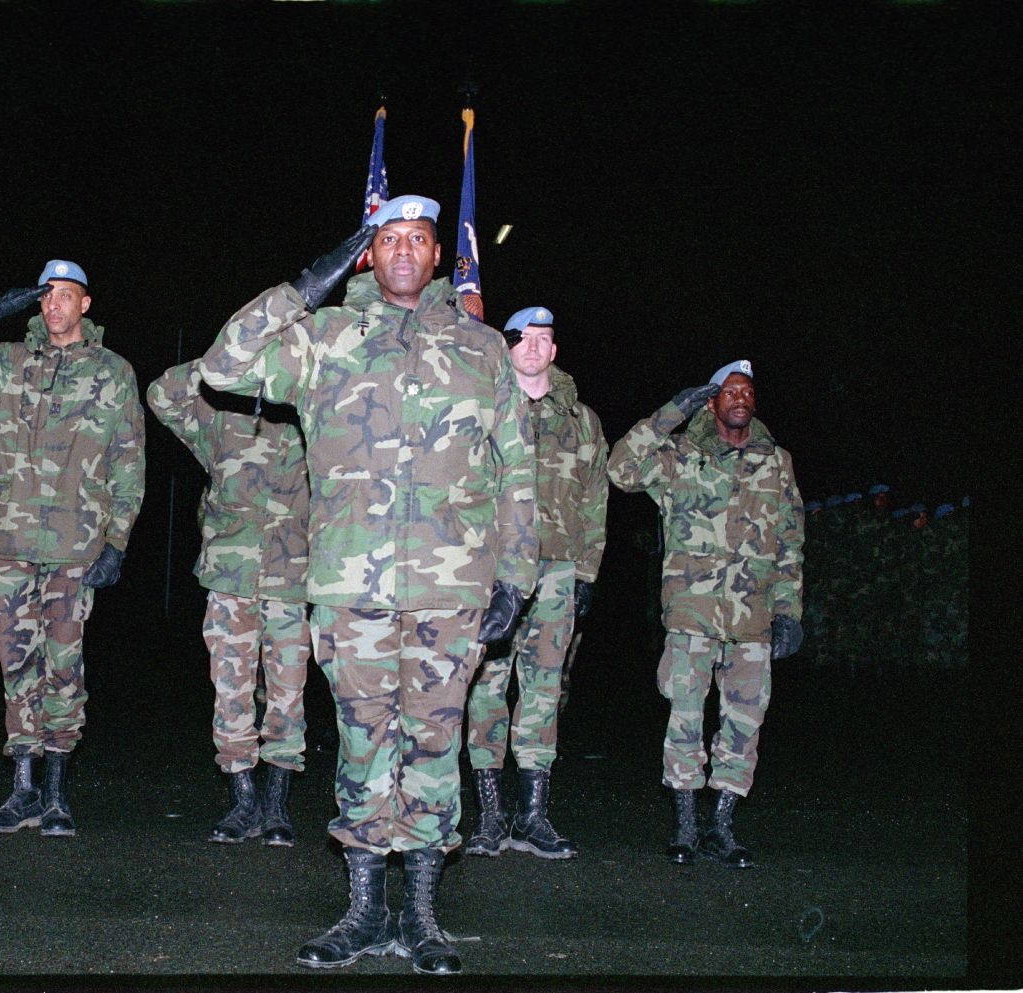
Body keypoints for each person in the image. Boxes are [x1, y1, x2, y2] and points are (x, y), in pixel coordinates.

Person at [196, 195, 538, 975]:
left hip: (452, 593)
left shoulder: (484, 349)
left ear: (438, 253)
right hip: (351, 589)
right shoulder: (322, 338)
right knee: (360, 746)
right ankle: (359, 912)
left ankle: (419, 918)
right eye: (389, 239)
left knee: (431, 747)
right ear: (368, 254)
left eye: (420, 238)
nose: (406, 250)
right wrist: (307, 283)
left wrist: (515, 574)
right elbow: (223, 364)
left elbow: (518, 472)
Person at [0, 259, 145, 839]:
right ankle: (21, 791)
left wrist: (116, 540)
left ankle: (57, 796)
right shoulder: (4, 366)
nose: (54, 306)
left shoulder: (113, 373)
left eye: (66, 295)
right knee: (17, 666)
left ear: (86, 304)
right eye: (45, 297)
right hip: (14, 546)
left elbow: (128, 461)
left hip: (75, 548)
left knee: (64, 668)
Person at [607, 359, 804, 868]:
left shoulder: (776, 461)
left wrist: (788, 610)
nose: (740, 398)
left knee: (744, 723)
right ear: (712, 402)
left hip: (753, 618)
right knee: (685, 720)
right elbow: (620, 469)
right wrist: (672, 412)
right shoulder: (680, 456)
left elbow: (789, 541)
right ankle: (686, 825)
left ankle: (722, 825)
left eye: (747, 392)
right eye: (729, 391)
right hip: (692, 615)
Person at [147, 360, 312, 847]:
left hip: (294, 577)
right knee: (231, 689)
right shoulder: (219, 418)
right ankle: (243, 801)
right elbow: (161, 394)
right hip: (229, 577)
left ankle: (277, 804)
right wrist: (220, 363)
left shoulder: (313, 417)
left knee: (287, 693)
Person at [463, 306, 607, 860]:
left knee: (544, 690)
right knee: (486, 690)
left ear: (554, 351)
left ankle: (533, 816)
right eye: (521, 338)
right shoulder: (483, 409)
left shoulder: (582, 421)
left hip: (556, 573)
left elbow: (596, 500)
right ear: (507, 348)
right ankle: (490, 817)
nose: (531, 347)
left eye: (542, 339)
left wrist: (587, 573)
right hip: (495, 574)